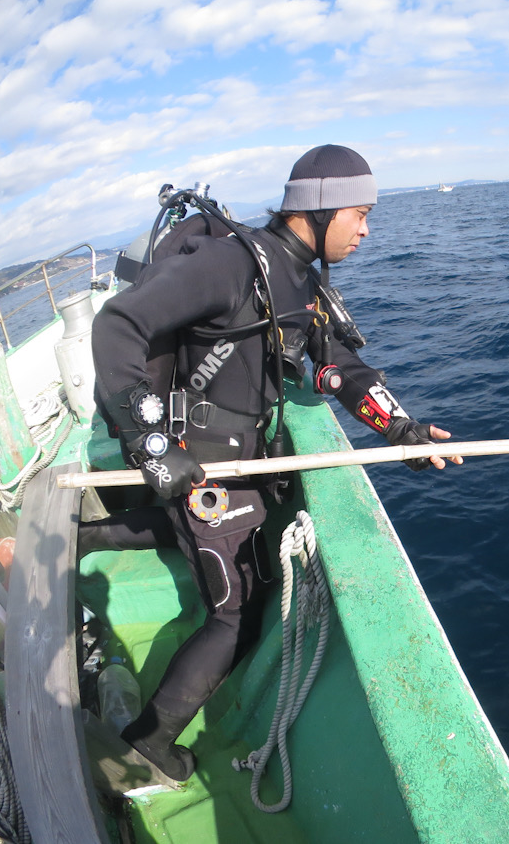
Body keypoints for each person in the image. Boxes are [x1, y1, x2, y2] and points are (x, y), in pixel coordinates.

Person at [85, 144, 461, 781]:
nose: (367, 230)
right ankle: (147, 741)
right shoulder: (231, 265)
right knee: (236, 612)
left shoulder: (302, 284)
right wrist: (152, 446)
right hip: (200, 465)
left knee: (195, 538)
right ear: (319, 210)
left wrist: (403, 430)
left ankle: (83, 535)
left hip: (237, 465)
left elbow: (340, 370)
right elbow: (117, 327)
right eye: (360, 213)